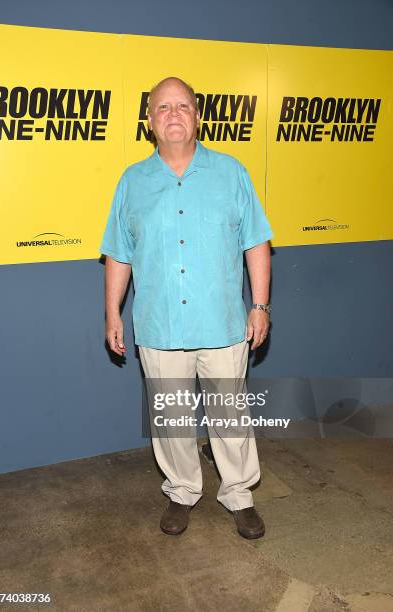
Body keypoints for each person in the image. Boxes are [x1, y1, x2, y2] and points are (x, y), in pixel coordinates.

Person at [100, 76, 274, 539]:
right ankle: (181, 491)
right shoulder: (132, 182)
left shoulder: (231, 172)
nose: (173, 114)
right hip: (159, 325)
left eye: (182, 106)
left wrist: (259, 305)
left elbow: (256, 242)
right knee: (171, 419)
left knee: (229, 414)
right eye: (162, 108)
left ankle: (239, 495)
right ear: (149, 122)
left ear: (197, 115)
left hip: (222, 322)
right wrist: (112, 313)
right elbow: (119, 252)